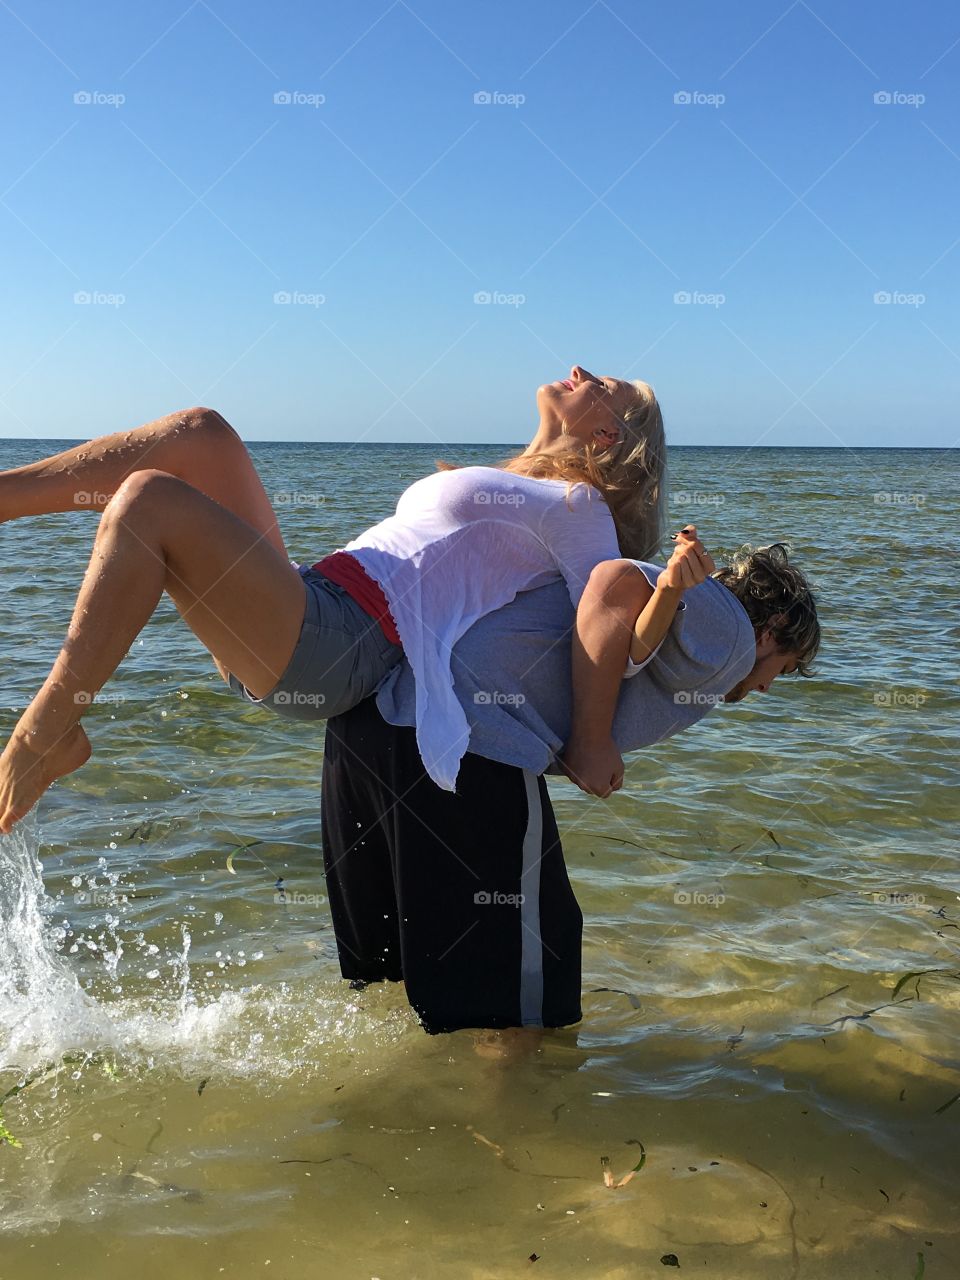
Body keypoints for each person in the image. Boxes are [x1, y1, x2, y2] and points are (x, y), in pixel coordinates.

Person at [0, 366, 667, 834]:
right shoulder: (509, 480)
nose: (582, 370)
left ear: (609, 436)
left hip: (341, 642)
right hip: (309, 598)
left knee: (149, 500)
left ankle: (43, 734)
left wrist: (594, 735)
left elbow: (604, 623)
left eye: (604, 386)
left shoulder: (581, 508)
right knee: (200, 433)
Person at [320, 540, 820, 1035]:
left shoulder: (692, 627)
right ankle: (511, 1113)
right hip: (458, 745)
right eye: (787, 666)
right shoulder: (731, 626)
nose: (768, 686)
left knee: (393, 982)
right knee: (528, 1002)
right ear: (772, 629)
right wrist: (591, 740)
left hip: (369, 730)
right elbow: (616, 582)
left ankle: (390, 1108)